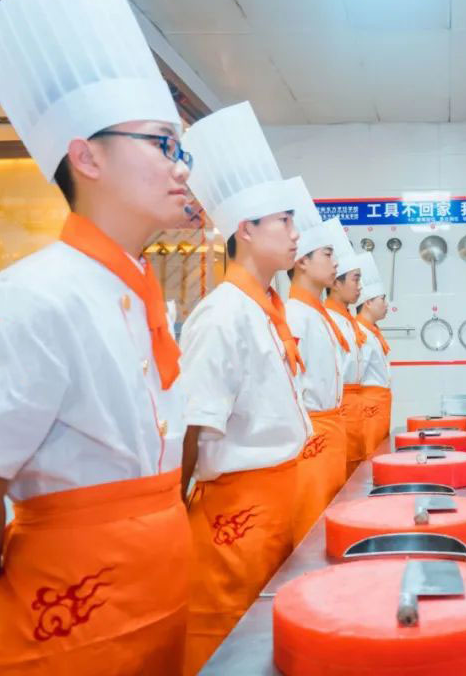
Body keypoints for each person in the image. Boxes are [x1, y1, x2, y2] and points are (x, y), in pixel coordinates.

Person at [0, 0, 194, 674]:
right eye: (163, 144)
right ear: (87, 157)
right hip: (61, 627)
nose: (181, 169)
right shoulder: (35, 298)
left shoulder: (136, 293)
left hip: (153, 609)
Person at [177, 102, 310, 674]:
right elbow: (191, 428)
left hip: (279, 500)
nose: (296, 234)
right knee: (234, 649)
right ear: (246, 229)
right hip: (238, 517)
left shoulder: (265, 309)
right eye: (284, 221)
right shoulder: (222, 315)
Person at [286, 212, 349, 542]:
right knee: (310, 535)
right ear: (302, 262)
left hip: (330, 435)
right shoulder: (294, 315)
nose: (335, 263)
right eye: (328, 254)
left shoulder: (317, 315)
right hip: (312, 438)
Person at [325, 234, 368, 476]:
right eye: (356, 279)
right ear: (336, 283)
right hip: (338, 414)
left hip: (353, 412)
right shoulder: (327, 319)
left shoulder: (347, 321)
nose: (360, 286)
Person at [355, 255, 392, 453]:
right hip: (368, 410)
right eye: (382, 299)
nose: (387, 305)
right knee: (370, 457)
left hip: (378, 408)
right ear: (368, 302)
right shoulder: (359, 333)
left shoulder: (372, 332)